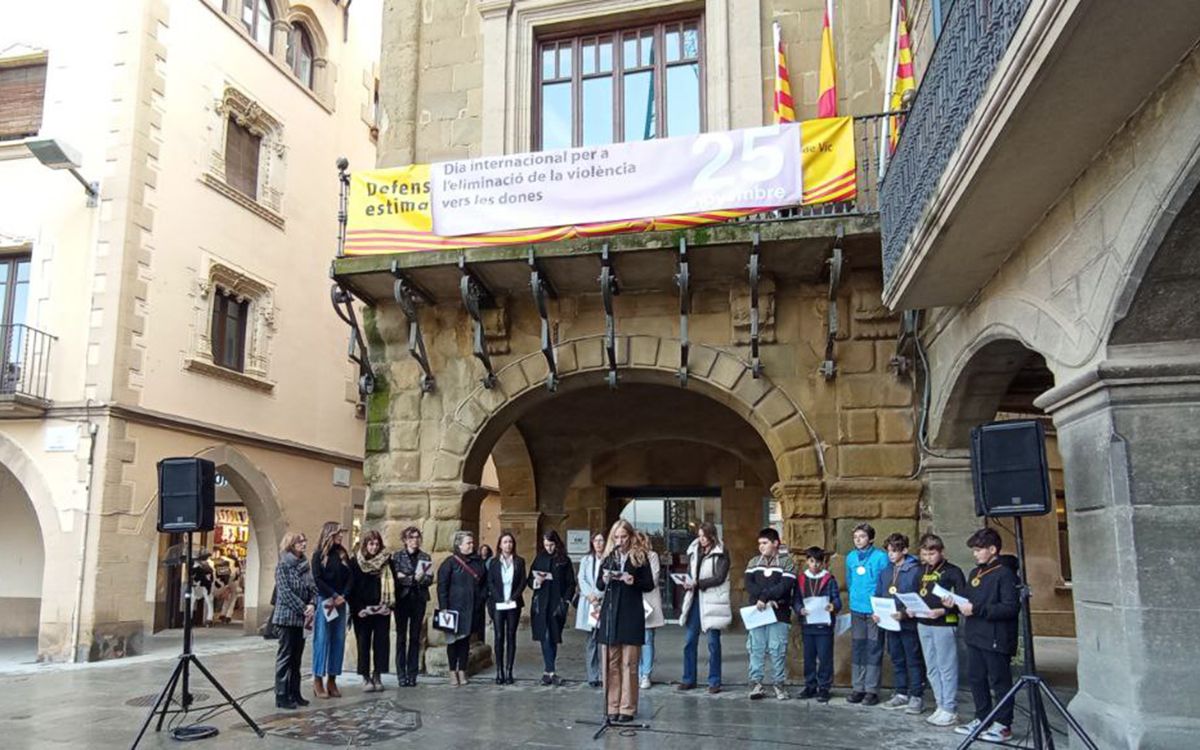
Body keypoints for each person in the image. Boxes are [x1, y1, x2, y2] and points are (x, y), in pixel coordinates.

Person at [948, 527, 1019, 743]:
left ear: (992, 549)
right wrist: (954, 601)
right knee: (976, 678)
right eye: (974, 550)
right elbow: (968, 598)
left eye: (979, 550)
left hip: (996, 636)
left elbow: (1010, 607)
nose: (975, 554)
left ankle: (1003, 724)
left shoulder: (1005, 574)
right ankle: (982, 717)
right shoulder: (975, 573)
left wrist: (978, 610)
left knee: (999, 680)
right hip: (975, 634)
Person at [596, 519, 655, 722]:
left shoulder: (640, 557)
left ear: (630, 537)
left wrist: (634, 580)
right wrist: (605, 578)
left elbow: (649, 584)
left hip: (631, 613)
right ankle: (612, 706)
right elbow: (599, 584)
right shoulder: (609, 557)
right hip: (611, 614)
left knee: (629, 663)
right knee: (611, 663)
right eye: (617, 537)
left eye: (624, 537)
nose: (620, 541)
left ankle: (627, 708)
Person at [916, 533, 968, 727]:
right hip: (924, 622)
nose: (928, 557)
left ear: (941, 552)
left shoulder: (953, 571)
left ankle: (950, 707)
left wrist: (945, 608)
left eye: (932, 553)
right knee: (931, 666)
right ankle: (940, 704)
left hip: (945, 622)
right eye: (924, 553)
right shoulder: (920, 571)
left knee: (947, 666)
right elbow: (916, 593)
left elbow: (963, 600)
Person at [873, 533, 925, 715]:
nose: (891, 555)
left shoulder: (916, 570)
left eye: (895, 551)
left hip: (909, 623)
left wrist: (903, 613)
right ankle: (901, 692)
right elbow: (879, 594)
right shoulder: (886, 571)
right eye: (888, 551)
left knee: (913, 659)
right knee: (897, 658)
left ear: (904, 550)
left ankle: (916, 695)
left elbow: (919, 596)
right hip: (890, 623)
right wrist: (877, 613)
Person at [678, 521, 731, 694]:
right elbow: (690, 572)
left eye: (704, 536)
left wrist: (697, 583)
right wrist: (686, 581)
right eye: (699, 536)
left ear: (711, 536)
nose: (701, 539)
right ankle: (688, 678)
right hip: (695, 600)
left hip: (712, 600)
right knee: (689, 641)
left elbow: (720, 577)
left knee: (713, 643)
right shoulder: (694, 551)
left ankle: (715, 681)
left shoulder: (721, 552)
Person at [744, 527, 796, 700]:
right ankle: (756, 684)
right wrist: (764, 599)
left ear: (775, 543)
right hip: (757, 612)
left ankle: (779, 684)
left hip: (779, 612)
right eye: (759, 543)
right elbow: (749, 584)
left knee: (777, 648)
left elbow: (785, 585)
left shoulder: (787, 562)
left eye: (765, 543)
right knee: (756, 648)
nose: (761, 546)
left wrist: (765, 597)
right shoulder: (753, 562)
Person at [845, 522, 889, 705]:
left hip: (874, 610)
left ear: (870, 538)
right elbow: (849, 580)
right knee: (858, 648)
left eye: (862, 537)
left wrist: (880, 606)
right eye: (855, 537)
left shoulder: (881, 557)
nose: (858, 540)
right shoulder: (851, 557)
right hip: (857, 608)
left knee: (873, 648)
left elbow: (885, 581)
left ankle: (871, 689)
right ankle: (858, 687)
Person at [272, 532, 316, 709]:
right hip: (286, 617)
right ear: (291, 544)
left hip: (302, 619)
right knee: (285, 657)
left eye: (305, 541)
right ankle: (281, 695)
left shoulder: (306, 566)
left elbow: (313, 588)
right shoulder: (282, 565)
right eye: (300, 541)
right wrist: (303, 607)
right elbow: (285, 592)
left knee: (297, 658)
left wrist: (312, 603)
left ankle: (295, 692)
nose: (304, 544)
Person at [437, 530, 486, 686]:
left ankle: (462, 670)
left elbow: (483, 582)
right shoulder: (449, 563)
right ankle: (452, 671)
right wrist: (444, 607)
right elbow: (442, 586)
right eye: (468, 543)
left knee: (465, 642)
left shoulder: (477, 562)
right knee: (452, 642)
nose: (472, 545)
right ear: (459, 545)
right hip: (452, 609)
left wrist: (481, 599)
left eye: (472, 542)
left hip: (470, 608)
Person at [793, 546, 841, 702]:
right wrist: (800, 610)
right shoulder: (801, 579)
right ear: (807, 561)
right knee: (808, 657)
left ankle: (824, 687)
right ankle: (810, 685)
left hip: (824, 625)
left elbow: (837, 599)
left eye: (818, 562)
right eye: (812, 561)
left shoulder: (829, 579)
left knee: (825, 657)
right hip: (808, 625)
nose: (815, 565)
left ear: (823, 563)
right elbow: (797, 600)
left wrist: (833, 606)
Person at [528, 529, 577, 685]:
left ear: (556, 543)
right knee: (545, 635)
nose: (548, 548)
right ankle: (549, 671)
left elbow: (571, 583)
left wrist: (566, 600)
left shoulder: (564, 560)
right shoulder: (540, 557)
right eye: (546, 544)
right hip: (541, 603)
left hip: (557, 603)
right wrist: (537, 582)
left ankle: (549, 671)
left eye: (551, 544)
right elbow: (530, 579)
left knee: (553, 637)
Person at [349, 529, 393, 693]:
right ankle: (365, 676)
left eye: (376, 544)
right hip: (362, 610)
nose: (374, 547)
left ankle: (377, 674)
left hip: (381, 608)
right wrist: (359, 608)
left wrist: (388, 606)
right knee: (363, 643)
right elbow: (352, 587)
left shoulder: (386, 561)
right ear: (365, 544)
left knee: (381, 643)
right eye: (371, 544)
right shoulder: (356, 562)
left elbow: (393, 584)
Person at [311, 521, 352, 698]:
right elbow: (317, 579)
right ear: (329, 534)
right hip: (325, 600)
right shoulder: (319, 555)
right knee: (321, 639)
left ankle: (332, 679)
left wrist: (344, 595)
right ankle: (318, 679)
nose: (341, 536)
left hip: (340, 601)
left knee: (338, 639)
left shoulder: (343, 554)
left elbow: (351, 577)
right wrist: (333, 595)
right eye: (338, 533)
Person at [390, 525, 433, 687]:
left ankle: (412, 673)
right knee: (401, 637)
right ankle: (401, 674)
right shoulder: (397, 557)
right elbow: (396, 578)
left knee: (415, 637)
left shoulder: (425, 557)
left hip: (418, 600)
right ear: (405, 540)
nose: (414, 541)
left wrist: (408, 578)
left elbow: (428, 579)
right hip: (402, 600)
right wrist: (414, 578)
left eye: (417, 537)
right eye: (411, 538)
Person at [485, 531, 526, 684]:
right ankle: (499, 670)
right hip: (498, 603)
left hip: (514, 603)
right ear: (500, 545)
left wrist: (513, 597)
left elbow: (522, 582)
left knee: (511, 636)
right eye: (505, 542)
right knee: (499, 636)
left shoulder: (519, 561)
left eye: (510, 542)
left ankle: (509, 670)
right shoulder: (494, 562)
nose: (508, 545)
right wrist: (500, 598)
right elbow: (490, 583)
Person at [575, 531, 607, 687]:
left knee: (604, 641)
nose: (599, 543)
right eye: (596, 540)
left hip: (603, 601)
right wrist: (591, 597)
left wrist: (599, 595)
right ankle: (593, 676)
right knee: (591, 640)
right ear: (592, 543)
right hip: (590, 603)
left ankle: (603, 674)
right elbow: (582, 578)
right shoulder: (586, 560)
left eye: (601, 540)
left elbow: (608, 580)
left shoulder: (609, 560)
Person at [636, 531, 664, 690]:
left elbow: (653, 578)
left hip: (648, 600)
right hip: (633, 601)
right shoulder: (631, 556)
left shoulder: (652, 556)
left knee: (647, 638)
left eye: (640, 540)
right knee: (634, 639)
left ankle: (646, 673)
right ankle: (637, 671)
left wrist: (634, 582)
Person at [190, 549, 216, 626]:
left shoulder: (205, 565)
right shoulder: (205, 565)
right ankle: (209, 618)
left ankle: (209, 618)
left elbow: (209, 577)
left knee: (207, 599)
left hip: (204, 585)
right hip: (198, 585)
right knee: (206, 600)